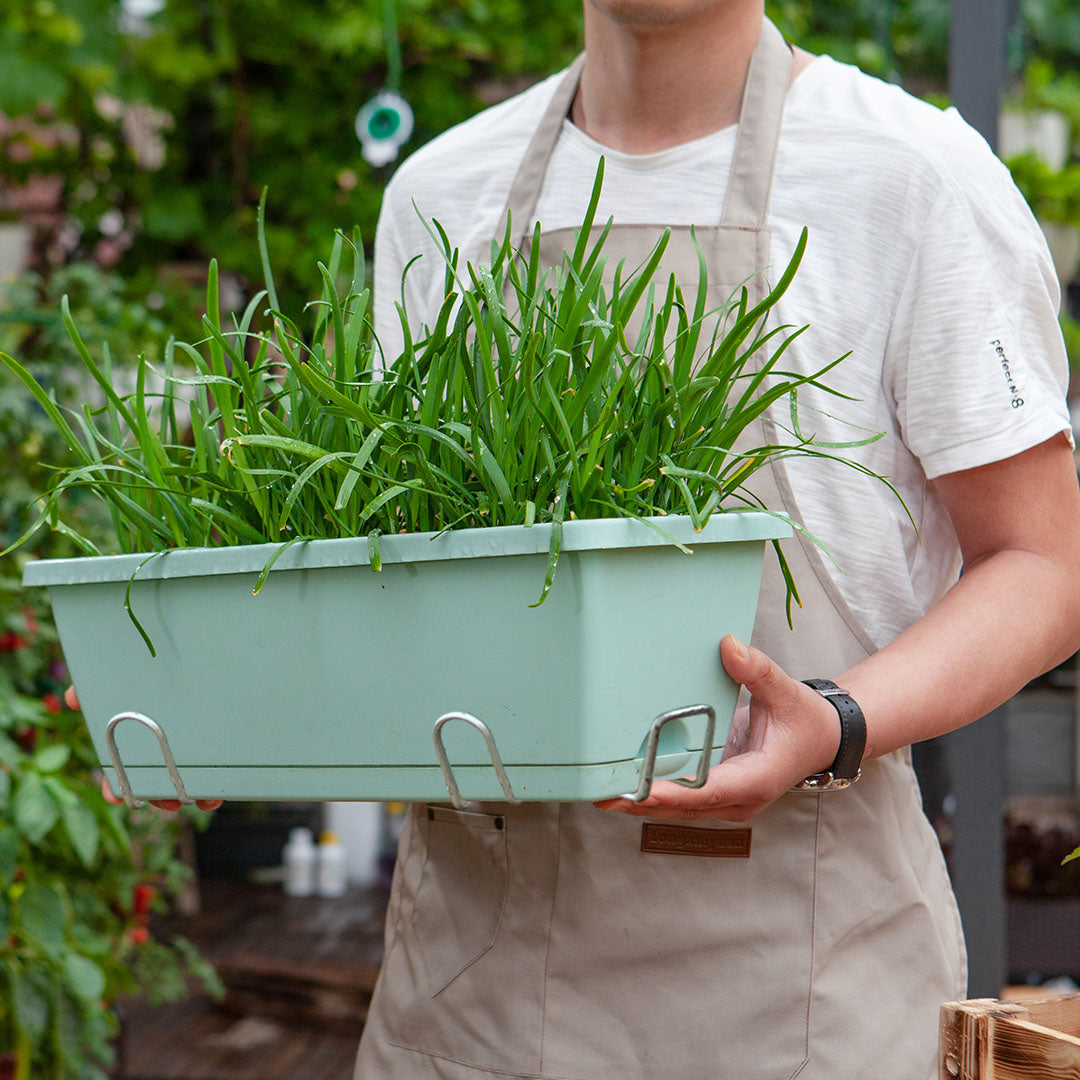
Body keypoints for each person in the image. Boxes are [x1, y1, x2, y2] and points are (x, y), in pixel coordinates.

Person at [348, 2, 1080, 1079]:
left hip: (802, 991)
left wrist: (836, 719)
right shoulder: (442, 195)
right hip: (476, 998)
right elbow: (411, 581)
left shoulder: (912, 178)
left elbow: (1046, 563)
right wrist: (229, 700)